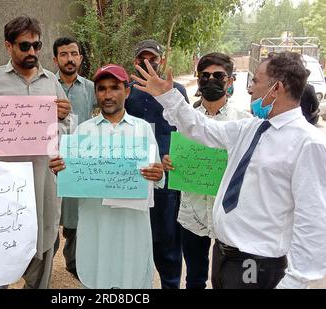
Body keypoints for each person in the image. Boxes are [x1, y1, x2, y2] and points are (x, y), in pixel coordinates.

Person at [132, 51, 326, 289]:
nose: (250, 89)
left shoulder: (308, 144)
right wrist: (168, 96)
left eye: (255, 81)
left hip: (256, 263)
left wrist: (295, 281)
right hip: (226, 256)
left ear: (276, 88)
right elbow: (200, 128)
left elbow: (313, 221)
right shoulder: (251, 128)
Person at [0, 16, 72, 289]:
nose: (32, 52)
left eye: (37, 45)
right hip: (2, 190)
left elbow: (67, 132)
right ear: (8, 46)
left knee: (42, 252)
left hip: (43, 185)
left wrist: (63, 119)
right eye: (24, 46)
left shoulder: (51, 83)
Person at [49, 64, 164, 289]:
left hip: (132, 227)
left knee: (132, 279)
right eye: (101, 89)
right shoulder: (83, 132)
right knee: (95, 278)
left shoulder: (142, 130)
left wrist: (157, 174)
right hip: (95, 225)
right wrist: (60, 171)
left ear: (127, 91)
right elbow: (69, 180)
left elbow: (157, 178)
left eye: (114, 88)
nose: (108, 95)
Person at [162, 53, 251, 289]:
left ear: (230, 81)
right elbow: (176, 155)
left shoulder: (243, 121)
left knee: (227, 278)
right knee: (195, 277)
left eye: (218, 75)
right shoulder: (184, 119)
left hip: (229, 214)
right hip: (193, 212)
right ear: (198, 80)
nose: (211, 80)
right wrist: (170, 161)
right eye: (205, 75)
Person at [125, 39, 189, 289]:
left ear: (162, 61)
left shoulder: (177, 91)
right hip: (134, 178)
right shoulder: (127, 90)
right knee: (136, 238)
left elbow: (186, 130)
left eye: (153, 58)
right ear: (135, 62)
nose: (148, 63)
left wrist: (175, 158)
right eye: (143, 58)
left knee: (167, 240)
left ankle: (170, 283)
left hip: (166, 179)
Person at [52, 37, 96, 279]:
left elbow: (112, 108)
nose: (70, 59)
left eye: (74, 54)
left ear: (80, 57)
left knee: (76, 218)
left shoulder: (91, 87)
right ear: (55, 59)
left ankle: (74, 263)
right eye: (64, 54)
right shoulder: (47, 85)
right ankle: (45, 264)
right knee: (50, 217)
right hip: (51, 161)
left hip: (80, 162)